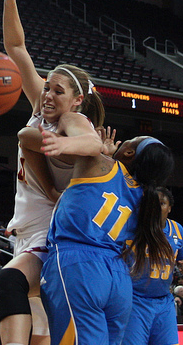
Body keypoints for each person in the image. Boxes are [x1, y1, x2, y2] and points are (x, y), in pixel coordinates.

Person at [0, 0, 105, 345]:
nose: (47, 94)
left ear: (76, 101)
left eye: (58, 90)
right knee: (39, 324)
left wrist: (62, 143)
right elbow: (16, 46)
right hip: (26, 229)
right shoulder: (40, 109)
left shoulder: (72, 123)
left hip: (51, 231)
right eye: (47, 87)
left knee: (8, 283)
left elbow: (91, 142)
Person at [38, 127, 174, 345]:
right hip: (119, 278)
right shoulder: (146, 199)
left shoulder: (97, 164)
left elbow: (28, 139)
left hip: (79, 265)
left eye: (129, 140)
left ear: (129, 152)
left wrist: (100, 151)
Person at [122, 186, 183, 345]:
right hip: (135, 301)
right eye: (152, 204)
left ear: (169, 208)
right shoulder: (129, 228)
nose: (156, 208)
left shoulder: (177, 230)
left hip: (164, 303)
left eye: (162, 204)